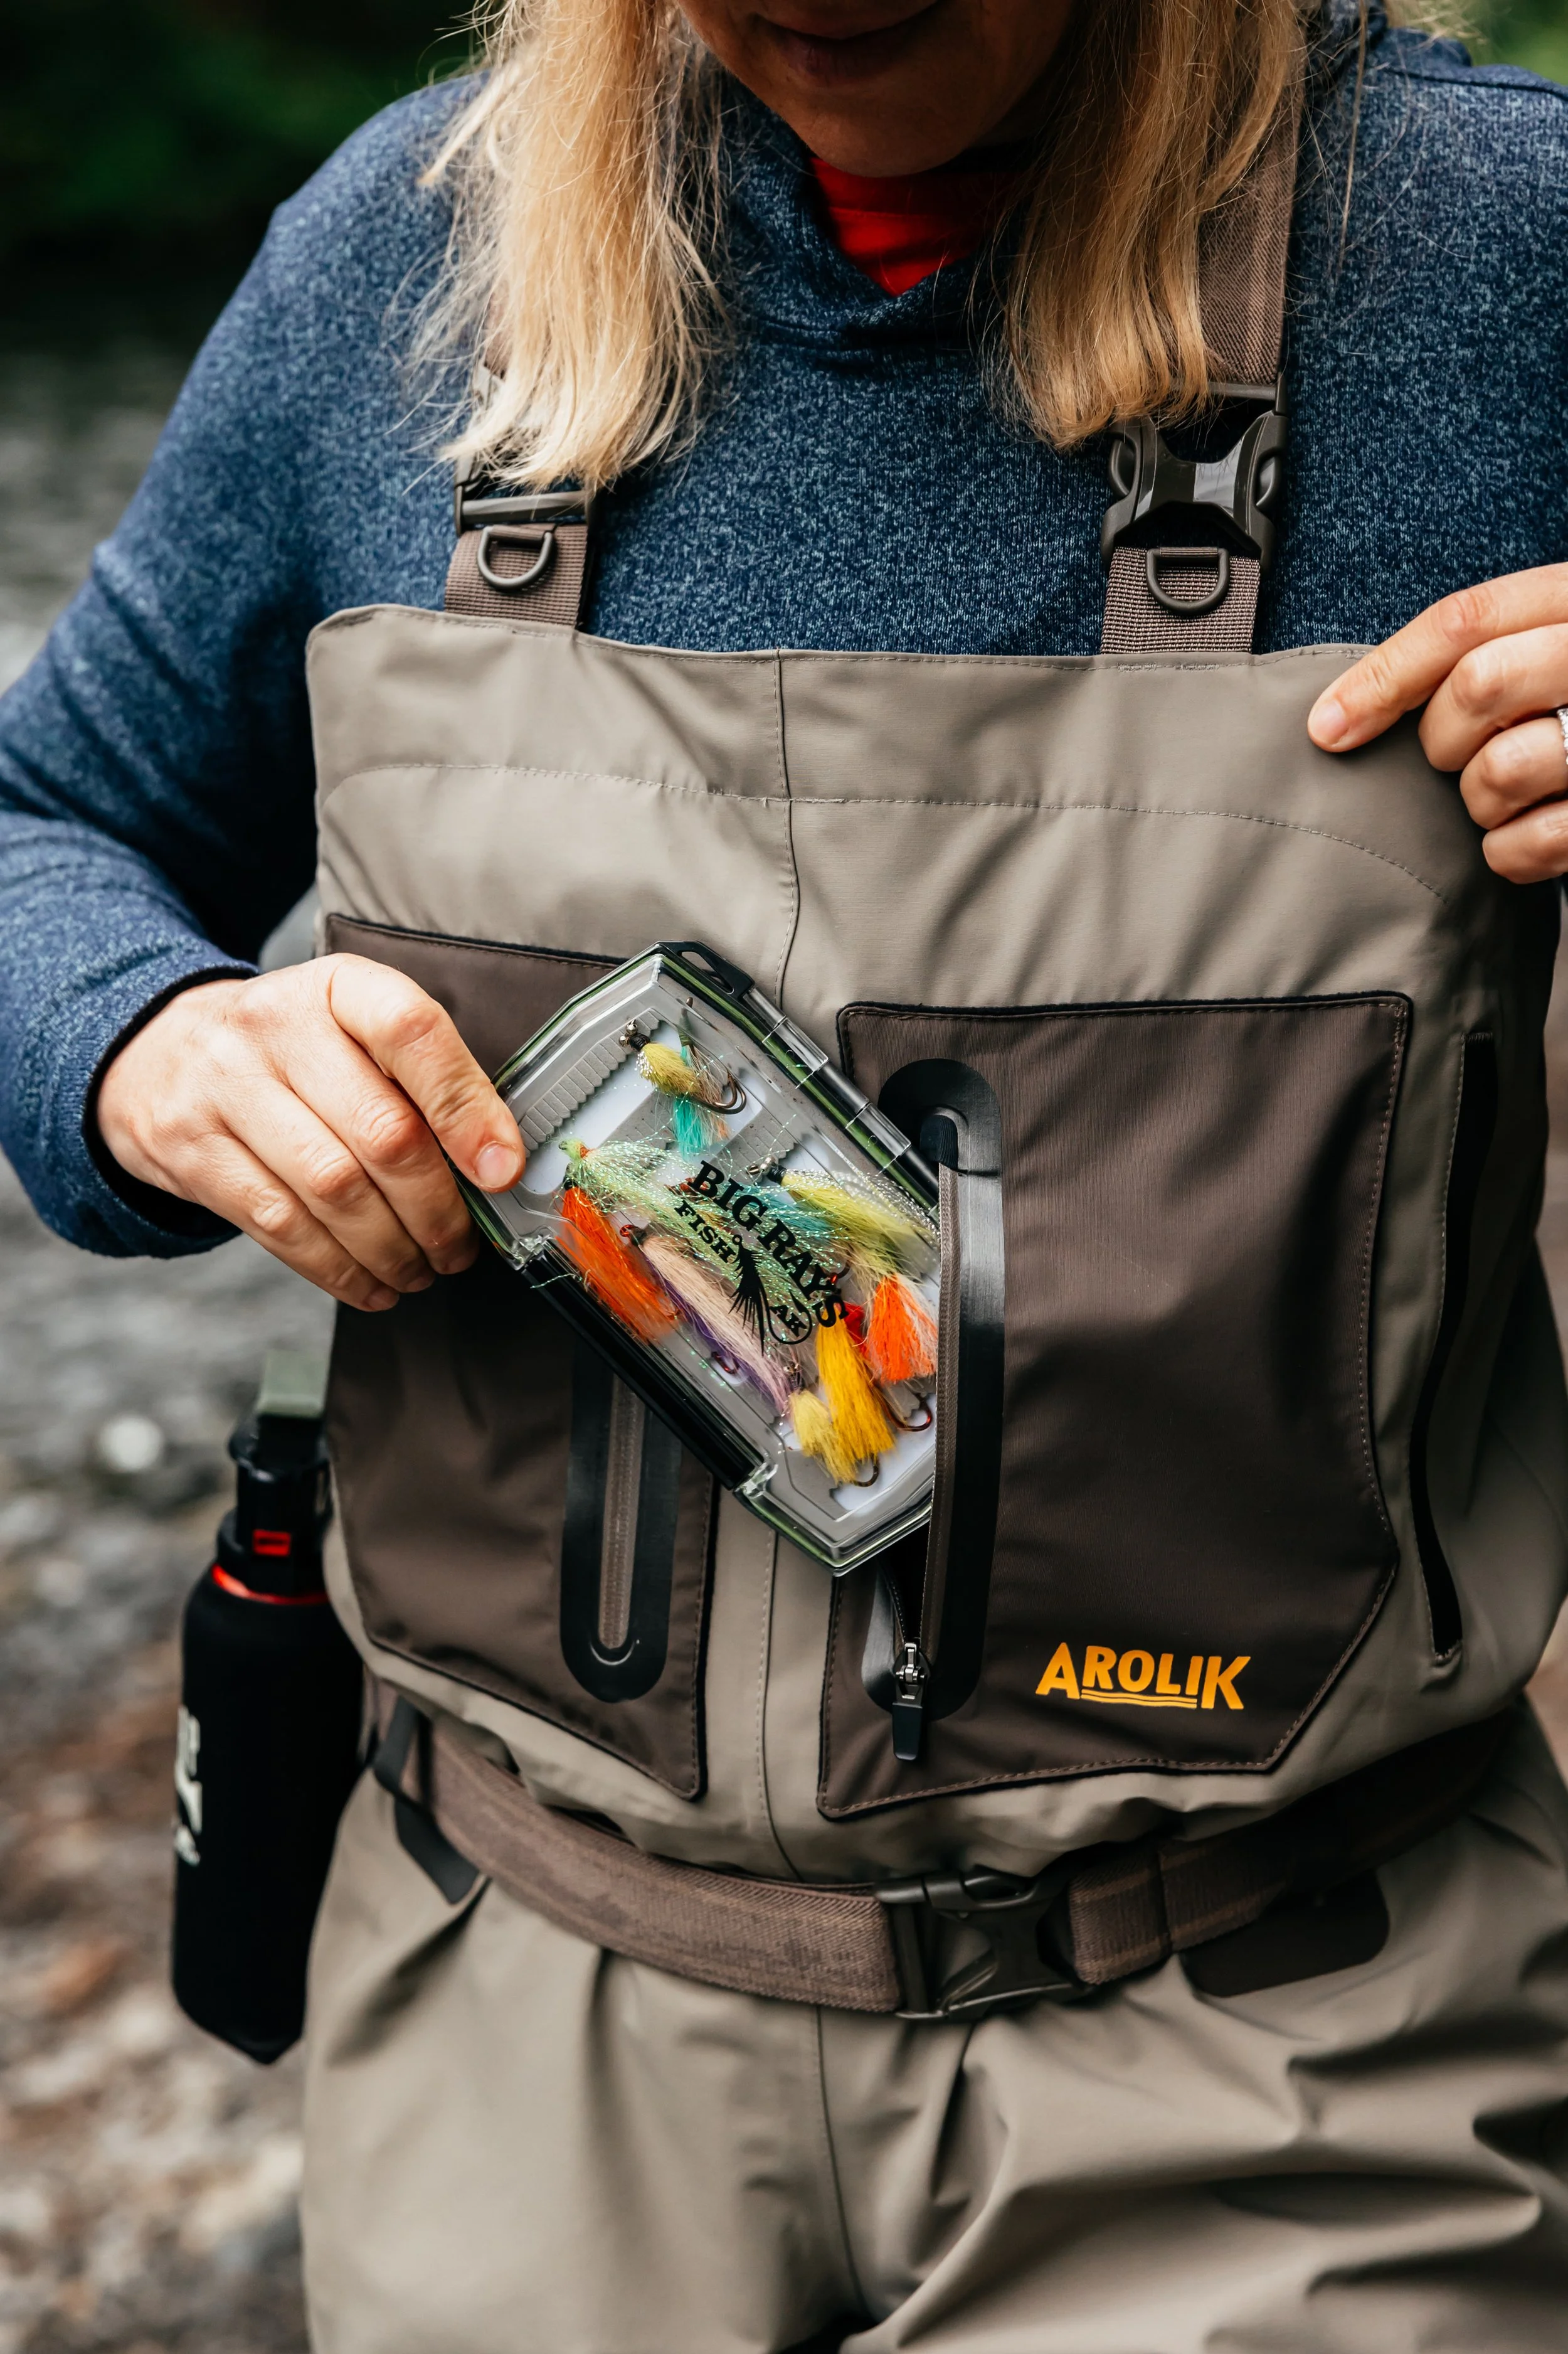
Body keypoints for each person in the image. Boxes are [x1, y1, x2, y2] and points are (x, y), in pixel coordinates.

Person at [5, 0, 1568, 2345]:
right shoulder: (399, 259)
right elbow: (50, 827)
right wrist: (144, 1044)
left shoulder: (1493, 250)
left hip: (1288, 2053)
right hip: (516, 2022)